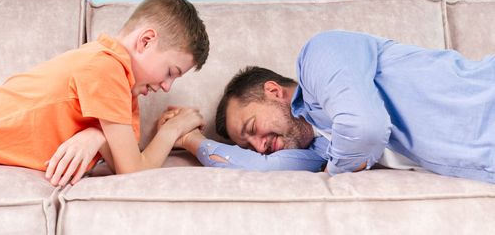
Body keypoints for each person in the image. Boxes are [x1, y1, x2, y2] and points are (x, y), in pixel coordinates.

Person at [168, 30, 495, 184]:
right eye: (249, 145)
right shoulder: (320, 150)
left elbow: (365, 129)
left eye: (252, 129)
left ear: (274, 91)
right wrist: (189, 140)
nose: (260, 146)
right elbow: (263, 170)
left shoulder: (319, 56)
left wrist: (334, 173)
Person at [0, 0, 209, 186]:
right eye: (170, 72)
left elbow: (122, 162)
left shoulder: (125, 87)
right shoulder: (107, 68)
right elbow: (134, 171)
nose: (167, 87)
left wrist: (98, 135)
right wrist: (174, 128)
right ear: (145, 41)